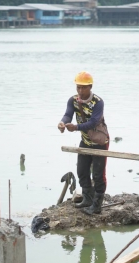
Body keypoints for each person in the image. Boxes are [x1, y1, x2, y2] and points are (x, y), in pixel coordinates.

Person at [58, 71, 109, 215]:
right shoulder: (73, 100)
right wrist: (63, 123)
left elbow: (94, 121)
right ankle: (87, 198)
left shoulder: (98, 102)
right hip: (85, 141)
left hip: (100, 142)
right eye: (78, 87)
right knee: (82, 171)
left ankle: (97, 206)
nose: (80, 91)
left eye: (84, 88)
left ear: (90, 87)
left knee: (99, 175)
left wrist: (76, 127)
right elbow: (68, 114)